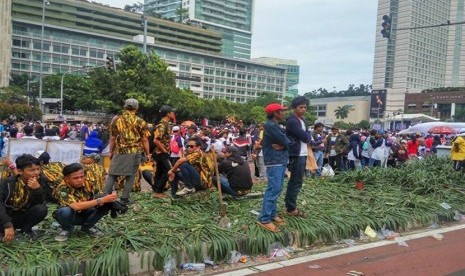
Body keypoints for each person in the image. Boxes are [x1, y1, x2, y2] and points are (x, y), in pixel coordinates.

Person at [103, 99, 151, 205]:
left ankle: (105, 196)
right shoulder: (140, 121)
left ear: (124, 107)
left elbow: (112, 137)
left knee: (112, 174)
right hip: (134, 151)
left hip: (119, 151)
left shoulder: (116, 120)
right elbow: (144, 139)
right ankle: (124, 199)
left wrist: (111, 150)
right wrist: (148, 153)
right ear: (136, 108)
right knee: (131, 175)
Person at [54, 163, 117, 242]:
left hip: (87, 212)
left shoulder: (88, 183)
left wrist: (108, 201)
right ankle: (66, 229)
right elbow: (76, 206)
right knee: (65, 211)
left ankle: (87, 227)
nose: (80, 180)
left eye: (82, 176)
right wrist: (101, 200)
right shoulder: (62, 188)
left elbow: (97, 196)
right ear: (66, 179)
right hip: (70, 216)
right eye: (75, 178)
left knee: (105, 205)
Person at [257, 103, 292, 233]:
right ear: (275, 113)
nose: (284, 113)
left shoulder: (275, 125)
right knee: (274, 189)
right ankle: (264, 218)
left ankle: (272, 214)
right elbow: (287, 140)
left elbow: (285, 141)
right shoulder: (271, 126)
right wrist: (287, 144)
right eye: (281, 111)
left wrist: (284, 145)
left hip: (279, 160)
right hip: (274, 161)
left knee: (276, 189)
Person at [0, 154, 47, 242]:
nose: (36, 172)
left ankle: (26, 230)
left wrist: (37, 189)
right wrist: (7, 224)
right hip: (5, 216)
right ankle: (5, 230)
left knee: (41, 209)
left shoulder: (41, 180)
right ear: (20, 171)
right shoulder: (8, 183)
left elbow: (41, 201)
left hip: (21, 214)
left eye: (38, 169)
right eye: (32, 170)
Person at [284, 96, 312, 218]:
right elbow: (305, 137)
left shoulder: (303, 121)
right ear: (294, 108)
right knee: (295, 181)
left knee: (298, 181)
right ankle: (290, 208)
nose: (303, 109)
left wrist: (307, 136)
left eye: (305, 107)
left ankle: (291, 205)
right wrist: (307, 136)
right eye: (301, 107)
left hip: (303, 153)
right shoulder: (292, 121)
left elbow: (308, 135)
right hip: (296, 154)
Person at [152, 105, 176, 199]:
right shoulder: (162, 125)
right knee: (168, 171)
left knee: (160, 171)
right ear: (168, 114)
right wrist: (165, 151)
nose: (174, 114)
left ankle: (156, 190)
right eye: (172, 112)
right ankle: (158, 191)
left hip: (162, 152)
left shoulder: (166, 124)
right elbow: (156, 140)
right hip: (161, 152)